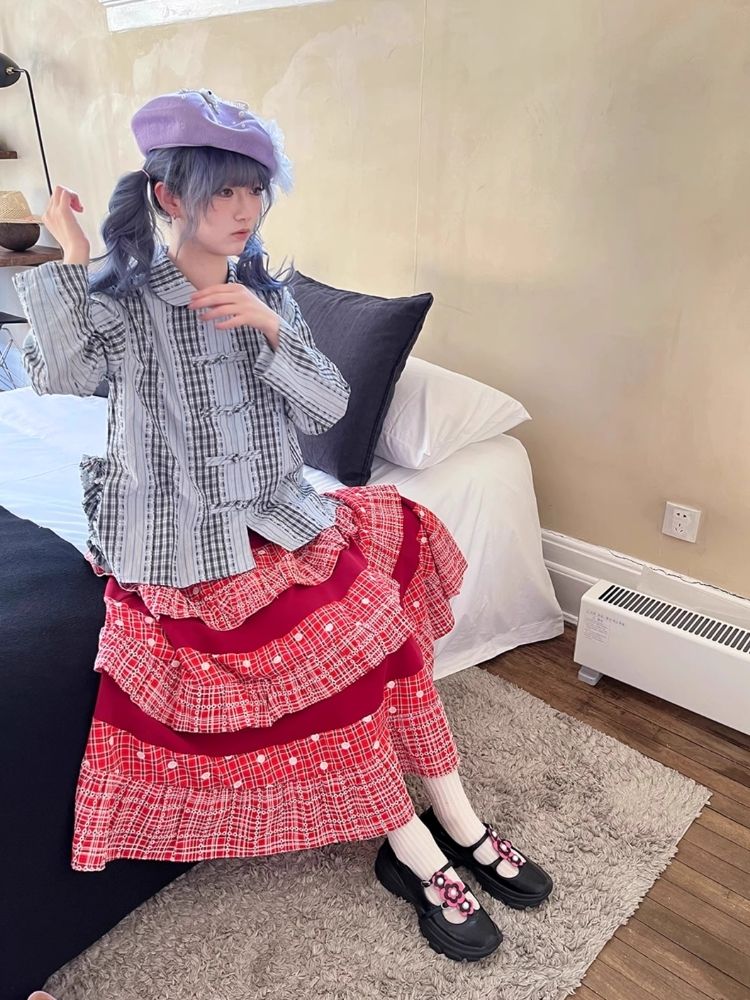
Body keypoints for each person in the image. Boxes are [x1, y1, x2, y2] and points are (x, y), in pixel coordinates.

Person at [15, 89, 552, 967]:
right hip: (182, 540)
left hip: (280, 517)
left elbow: (327, 408)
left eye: (255, 190)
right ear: (169, 196)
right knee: (336, 652)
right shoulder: (127, 298)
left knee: (387, 630)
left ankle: (456, 816)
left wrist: (271, 330)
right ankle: (415, 849)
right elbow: (61, 376)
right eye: (223, 191)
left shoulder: (266, 293)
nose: (245, 209)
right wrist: (73, 255)